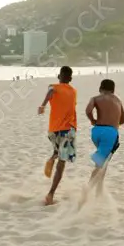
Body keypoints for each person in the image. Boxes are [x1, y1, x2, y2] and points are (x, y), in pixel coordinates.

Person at [37, 66, 77, 206]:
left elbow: (50, 91)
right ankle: (50, 194)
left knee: (58, 150)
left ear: (59, 76)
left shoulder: (54, 86)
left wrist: (43, 105)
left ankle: (53, 156)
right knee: (62, 162)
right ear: (70, 78)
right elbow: (51, 92)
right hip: (68, 130)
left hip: (53, 130)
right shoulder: (73, 91)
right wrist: (43, 104)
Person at [84, 79, 124, 193]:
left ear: (100, 89)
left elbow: (88, 111)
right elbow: (122, 120)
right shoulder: (118, 100)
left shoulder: (95, 98)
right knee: (100, 164)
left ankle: (99, 189)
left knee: (103, 162)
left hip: (96, 131)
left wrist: (92, 120)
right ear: (113, 90)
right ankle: (87, 189)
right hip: (110, 133)